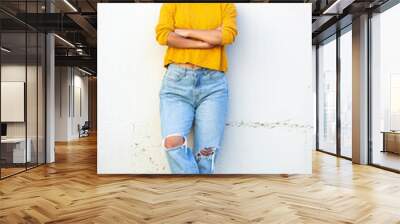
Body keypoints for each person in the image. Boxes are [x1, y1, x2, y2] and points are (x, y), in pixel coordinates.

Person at [155, 3, 237, 174]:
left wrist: (186, 32)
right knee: (172, 143)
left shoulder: (226, 5)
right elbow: (164, 36)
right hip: (177, 83)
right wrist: (205, 43)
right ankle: (195, 192)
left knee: (206, 155)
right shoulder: (172, 4)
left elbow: (226, 36)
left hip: (213, 85)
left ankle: (195, 196)